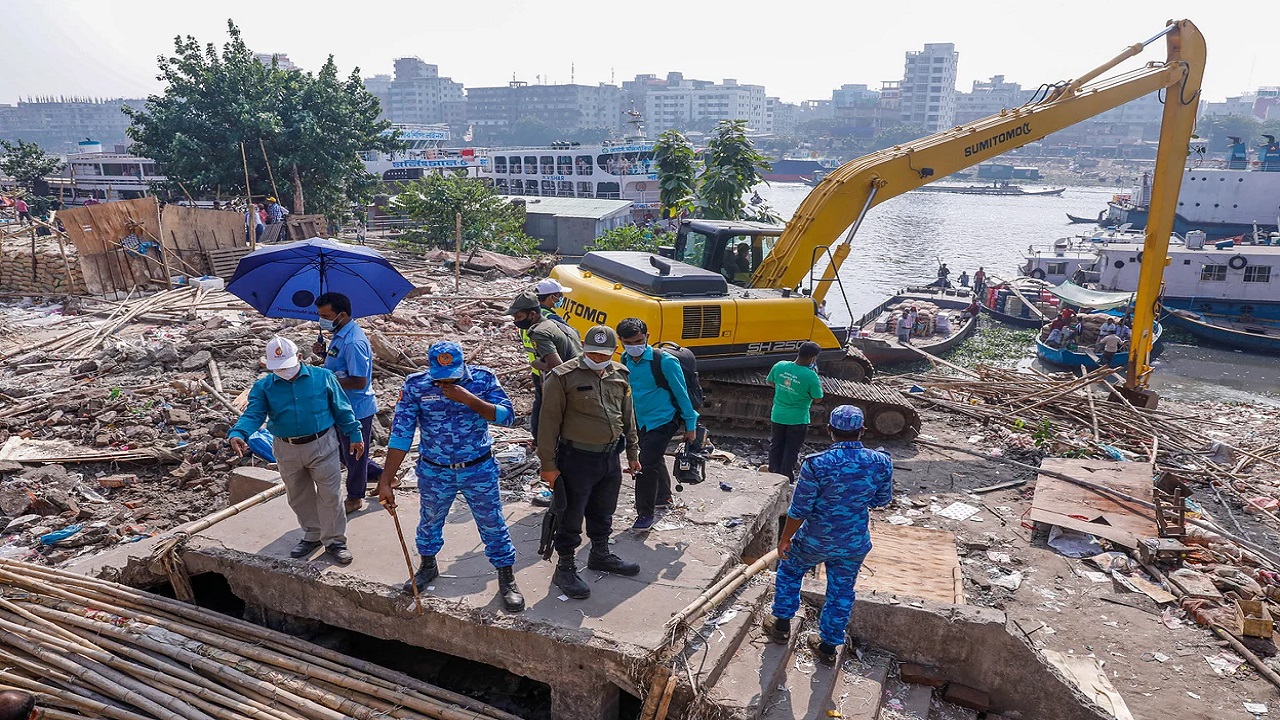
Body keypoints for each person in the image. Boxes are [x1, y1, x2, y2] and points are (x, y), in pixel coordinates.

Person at [377, 342, 524, 612]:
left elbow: (508, 417)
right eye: (441, 376)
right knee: (430, 520)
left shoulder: (483, 379)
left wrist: (469, 399)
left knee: (492, 522)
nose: (445, 381)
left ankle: (506, 576)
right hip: (435, 469)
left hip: (477, 467)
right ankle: (428, 566)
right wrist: (386, 478)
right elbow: (401, 433)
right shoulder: (416, 385)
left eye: (452, 375)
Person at [761, 405, 892, 666]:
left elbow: (800, 509)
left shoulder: (817, 464)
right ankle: (828, 647)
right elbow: (882, 500)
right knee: (841, 591)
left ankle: (781, 626)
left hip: (814, 539)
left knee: (789, 572)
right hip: (853, 541)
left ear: (830, 430)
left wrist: (785, 538)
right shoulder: (880, 462)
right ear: (862, 431)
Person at [228, 337, 364, 565]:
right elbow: (253, 414)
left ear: (300, 358)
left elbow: (342, 408)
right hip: (286, 447)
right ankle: (312, 534)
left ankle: (334, 541)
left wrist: (355, 433)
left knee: (330, 494)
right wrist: (239, 433)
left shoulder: (323, 378)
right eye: (278, 368)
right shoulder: (264, 387)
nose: (284, 372)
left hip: (322, 444)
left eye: (287, 366)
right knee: (298, 494)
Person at [537, 325, 642, 599]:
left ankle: (600, 553)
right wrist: (548, 465)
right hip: (576, 459)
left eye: (603, 354)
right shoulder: (562, 377)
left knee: (603, 509)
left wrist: (632, 453)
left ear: (613, 352)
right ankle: (566, 567)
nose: (598, 359)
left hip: (609, 457)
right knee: (570, 514)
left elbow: (628, 416)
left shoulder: (620, 374)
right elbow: (547, 425)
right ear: (584, 348)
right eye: (593, 354)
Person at [616, 318, 699, 530]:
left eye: (639, 341)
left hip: (663, 418)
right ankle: (663, 496)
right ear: (621, 341)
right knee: (653, 458)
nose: (634, 346)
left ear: (647, 338)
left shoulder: (665, 362)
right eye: (629, 342)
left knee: (645, 463)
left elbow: (682, 394)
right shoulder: (625, 359)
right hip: (640, 420)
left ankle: (645, 513)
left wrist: (690, 426)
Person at [314, 292, 383, 514]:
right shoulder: (340, 334)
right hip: (340, 404)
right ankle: (380, 474)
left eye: (325, 315)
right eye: (320, 315)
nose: (321, 320)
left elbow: (359, 380)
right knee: (345, 451)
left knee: (353, 454)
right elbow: (338, 363)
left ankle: (355, 496)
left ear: (342, 314)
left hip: (355, 407)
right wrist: (323, 355)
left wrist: (326, 380)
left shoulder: (354, 341)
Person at [508, 288, 581, 441]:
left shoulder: (539, 331)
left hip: (565, 384)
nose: (516, 320)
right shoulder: (556, 323)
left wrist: (536, 363)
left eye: (519, 316)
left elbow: (556, 366)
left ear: (532, 314)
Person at [765, 342, 824, 480]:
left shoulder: (780, 366)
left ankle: (772, 473)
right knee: (791, 450)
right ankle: (785, 477)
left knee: (776, 445)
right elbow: (817, 398)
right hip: (797, 419)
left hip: (778, 415)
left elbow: (770, 382)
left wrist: (783, 388)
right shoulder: (811, 376)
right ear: (812, 358)